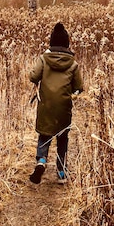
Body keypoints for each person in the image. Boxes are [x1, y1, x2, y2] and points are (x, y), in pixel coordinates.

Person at [28, 22, 83, 184]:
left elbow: (33, 77)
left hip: (46, 106)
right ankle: (60, 172)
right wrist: (71, 93)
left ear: (51, 43)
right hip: (64, 107)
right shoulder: (73, 64)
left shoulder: (44, 59)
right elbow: (79, 87)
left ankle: (41, 161)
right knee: (62, 138)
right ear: (67, 43)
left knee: (44, 134)